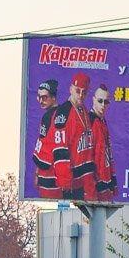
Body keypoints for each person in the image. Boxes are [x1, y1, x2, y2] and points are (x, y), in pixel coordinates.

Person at [48, 72, 96, 201]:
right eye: (77, 91)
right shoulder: (63, 112)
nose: (80, 95)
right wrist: (66, 184)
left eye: (84, 92)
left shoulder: (83, 109)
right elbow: (60, 150)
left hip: (83, 182)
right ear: (70, 89)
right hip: (70, 185)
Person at [31, 78, 62, 199]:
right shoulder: (60, 113)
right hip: (61, 176)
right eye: (39, 97)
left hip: (50, 175)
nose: (41, 101)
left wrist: (37, 173)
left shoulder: (50, 117)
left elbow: (45, 149)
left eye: (44, 97)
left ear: (53, 97)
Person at [89, 84, 117, 202]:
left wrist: (111, 183)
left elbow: (107, 154)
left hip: (104, 181)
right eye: (100, 101)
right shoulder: (88, 121)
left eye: (106, 102)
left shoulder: (102, 121)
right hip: (94, 184)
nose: (103, 105)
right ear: (93, 99)